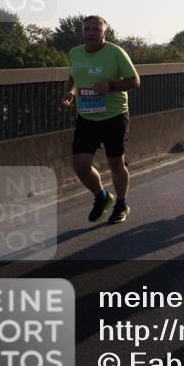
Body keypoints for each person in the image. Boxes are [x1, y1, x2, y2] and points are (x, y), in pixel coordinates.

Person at [61, 15, 140, 225]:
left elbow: (135, 80)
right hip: (86, 116)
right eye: (87, 29)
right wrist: (70, 92)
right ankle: (101, 196)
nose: (91, 33)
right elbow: (73, 76)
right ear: (82, 32)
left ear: (104, 32)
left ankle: (121, 203)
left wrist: (110, 86)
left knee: (115, 164)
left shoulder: (115, 53)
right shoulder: (75, 53)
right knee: (80, 164)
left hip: (114, 116)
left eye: (96, 29)